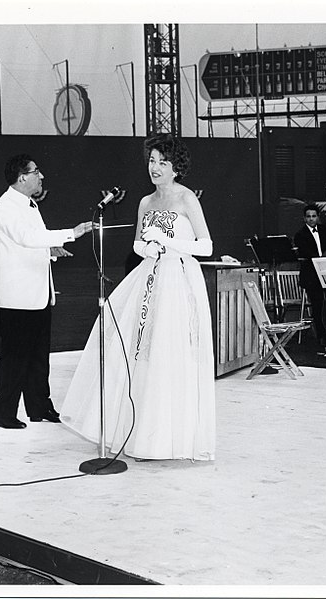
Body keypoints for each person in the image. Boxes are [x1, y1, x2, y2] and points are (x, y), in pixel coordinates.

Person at [60, 134, 216, 461]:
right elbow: (136, 245)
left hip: (177, 280)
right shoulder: (145, 202)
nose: (155, 168)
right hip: (148, 279)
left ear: (177, 167)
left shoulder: (187, 199)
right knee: (137, 355)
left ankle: (167, 440)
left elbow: (206, 246)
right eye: (151, 161)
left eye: (163, 162)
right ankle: (141, 437)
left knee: (167, 356)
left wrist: (170, 242)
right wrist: (148, 246)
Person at [0, 153, 94, 430]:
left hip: (34, 295)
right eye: (36, 172)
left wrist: (51, 248)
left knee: (37, 355)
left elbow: (30, 243)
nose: (41, 176)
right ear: (22, 177)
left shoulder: (27, 205)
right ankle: (3, 413)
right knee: (16, 358)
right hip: (17, 299)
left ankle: (39, 407)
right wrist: (70, 233)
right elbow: (26, 238)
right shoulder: (7, 207)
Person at [293, 203, 326, 346]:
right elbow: (307, 253)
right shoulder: (300, 235)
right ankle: (323, 336)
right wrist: (321, 261)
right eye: (308, 217)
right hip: (311, 275)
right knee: (318, 304)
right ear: (304, 218)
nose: (311, 219)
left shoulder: (323, 230)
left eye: (314, 216)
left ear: (318, 217)